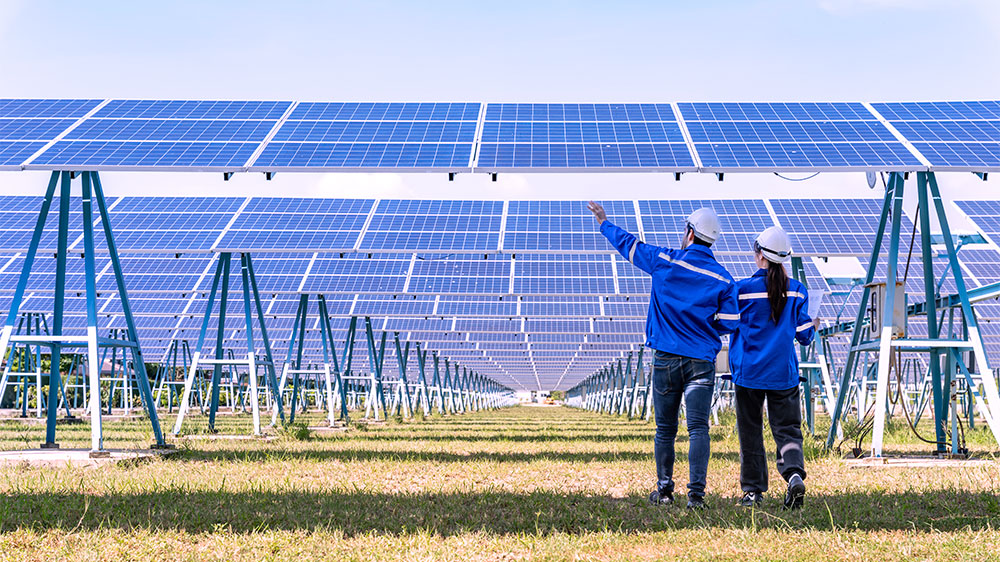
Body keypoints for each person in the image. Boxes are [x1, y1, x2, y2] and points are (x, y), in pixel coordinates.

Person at [587, 201, 739, 510]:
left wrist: (604, 222)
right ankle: (696, 496)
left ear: (690, 233)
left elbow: (631, 247)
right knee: (698, 428)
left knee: (665, 429)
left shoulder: (666, 260)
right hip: (701, 361)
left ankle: (665, 490)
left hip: (666, 358)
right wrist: (706, 326)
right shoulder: (724, 279)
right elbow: (731, 322)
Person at [728, 226, 818, 510]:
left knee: (750, 432)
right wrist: (813, 326)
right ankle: (793, 475)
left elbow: (727, 323)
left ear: (759, 256)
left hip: (749, 373)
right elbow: (804, 335)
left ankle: (753, 492)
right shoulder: (797, 291)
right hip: (784, 375)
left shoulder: (741, 290)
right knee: (788, 431)